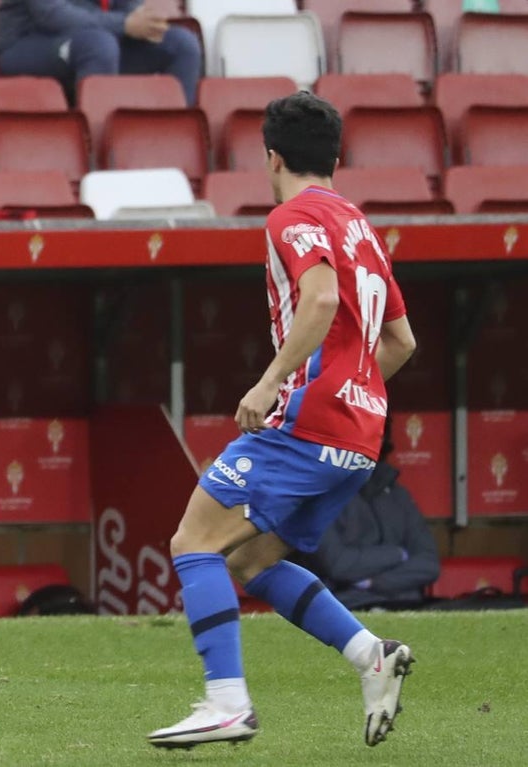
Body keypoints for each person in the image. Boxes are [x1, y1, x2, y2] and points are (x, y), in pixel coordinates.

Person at [147, 91, 418, 750]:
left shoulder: (292, 216)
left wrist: (273, 383)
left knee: (194, 544)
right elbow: (403, 341)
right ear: (335, 155)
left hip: (308, 422)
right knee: (250, 562)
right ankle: (370, 656)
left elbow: (321, 297)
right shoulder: (360, 223)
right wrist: (353, 395)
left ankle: (226, 701)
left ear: (271, 156)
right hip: (360, 434)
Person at [301, 415, 441, 612]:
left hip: (405, 606)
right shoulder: (319, 494)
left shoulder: (397, 494)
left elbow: (428, 564)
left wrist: (372, 582)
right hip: (344, 610)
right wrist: (398, 554)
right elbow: (338, 565)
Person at [0, 0, 201, 106]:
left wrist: (143, 21)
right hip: (30, 42)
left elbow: (130, 10)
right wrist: (123, 24)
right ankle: (98, 149)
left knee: (183, 45)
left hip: (100, 40)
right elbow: (52, 15)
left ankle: (169, 147)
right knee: (98, 45)